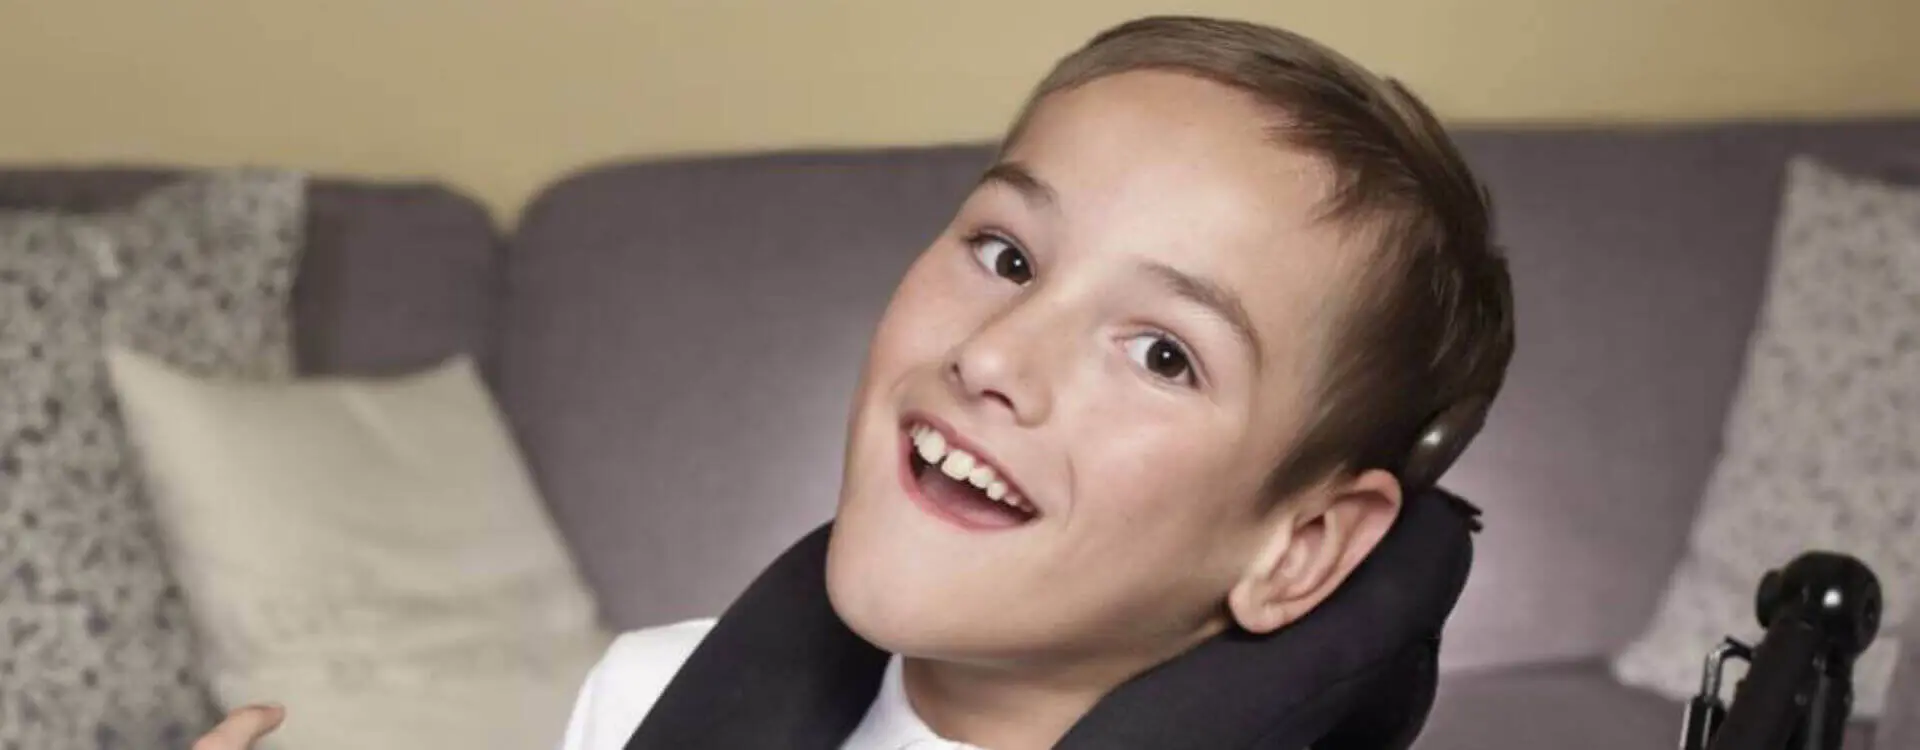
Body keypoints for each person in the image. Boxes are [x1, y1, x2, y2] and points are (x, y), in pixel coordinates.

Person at [196, 14, 1512, 750]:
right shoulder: (646, 698)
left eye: (1163, 352)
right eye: (1004, 253)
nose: (993, 355)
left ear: (1304, 547)